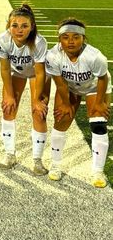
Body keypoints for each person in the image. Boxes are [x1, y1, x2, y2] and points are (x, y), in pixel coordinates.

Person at [45, 18, 111, 188]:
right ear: (59, 39)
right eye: (65, 37)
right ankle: (56, 165)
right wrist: (66, 104)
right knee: (61, 119)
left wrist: (99, 103)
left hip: (95, 87)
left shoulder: (95, 57)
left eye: (76, 37)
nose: (71, 41)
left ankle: (97, 171)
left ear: (83, 38)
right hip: (70, 88)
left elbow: (103, 78)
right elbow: (60, 83)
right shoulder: (53, 56)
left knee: (98, 123)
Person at [0, 4, 50, 174]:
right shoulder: (2, 39)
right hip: (17, 73)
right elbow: (4, 69)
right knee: (8, 108)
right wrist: (9, 95)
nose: (19, 30)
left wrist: (37, 100)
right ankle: (10, 154)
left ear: (31, 27)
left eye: (24, 26)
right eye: (15, 26)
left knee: (39, 113)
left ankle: (37, 160)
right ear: (8, 26)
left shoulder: (39, 42)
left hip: (36, 75)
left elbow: (40, 73)